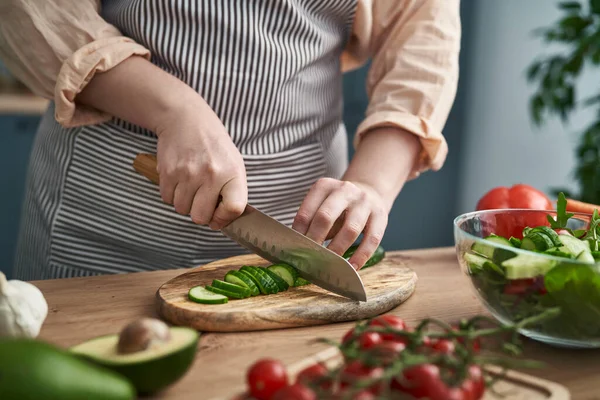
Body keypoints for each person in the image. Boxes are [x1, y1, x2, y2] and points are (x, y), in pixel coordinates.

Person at [0, 0, 460, 280]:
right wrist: (174, 110)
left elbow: (423, 35)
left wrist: (373, 185)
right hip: (102, 223)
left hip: (296, 240)